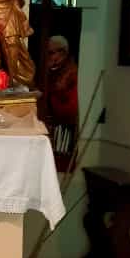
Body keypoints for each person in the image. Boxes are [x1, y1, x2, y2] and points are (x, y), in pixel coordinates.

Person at [45, 34, 80, 168]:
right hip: (55, 124)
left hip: (66, 126)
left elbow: (59, 89)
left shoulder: (71, 72)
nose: (48, 57)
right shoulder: (53, 70)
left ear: (63, 53)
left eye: (51, 53)